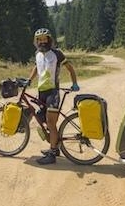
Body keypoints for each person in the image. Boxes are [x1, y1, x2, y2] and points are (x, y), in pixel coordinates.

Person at [27, 28, 79, 165]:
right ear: (36, 41)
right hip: (41, 92)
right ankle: (55, 148)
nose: (42, 41)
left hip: (53, 93)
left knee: (51, 124)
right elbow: (36, 68)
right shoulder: (37, 54)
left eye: (45, 39)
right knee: (41, 118)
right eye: (39, 39)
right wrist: (29, 80)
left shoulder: (57, 54)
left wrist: (74, 83)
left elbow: (70, 68)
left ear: (49, 40)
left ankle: (52, 155)